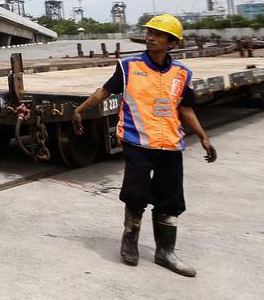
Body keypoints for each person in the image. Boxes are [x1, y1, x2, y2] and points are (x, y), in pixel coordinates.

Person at [71, 14, 218, 276]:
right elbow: (104, 91)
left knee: (170, 199)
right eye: (149, 33)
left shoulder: (181, 74)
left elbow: (185, 109)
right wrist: (80, 110)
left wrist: (204, 137)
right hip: (137, 142)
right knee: (136, 194)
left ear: (171, 43)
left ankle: (165, 252)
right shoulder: (129, 67)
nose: (150, 38)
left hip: (171, 145)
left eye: (157, 35)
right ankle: (129, 242)